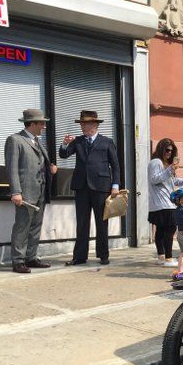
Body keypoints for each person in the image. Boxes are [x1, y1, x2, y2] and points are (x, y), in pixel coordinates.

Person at [59, 110, 120, 266]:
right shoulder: (78, 141)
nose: (82, 126)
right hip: (81, 187)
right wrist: (65, 143)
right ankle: (79, 256)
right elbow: (64, 155)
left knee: (102, 222)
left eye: (85, 124)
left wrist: (115, 185)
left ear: (94, 124)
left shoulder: (106, 142)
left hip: (101, 187)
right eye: (81, 124)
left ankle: (103, 254)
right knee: (82, 222)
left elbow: (115, 165)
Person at [4, 109, 58, 273]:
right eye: (41, 123)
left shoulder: (38, 142)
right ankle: (18, 261)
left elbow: (37, 164)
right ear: (32, 123)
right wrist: (15, 191)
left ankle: (31, 257)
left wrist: (50, 169)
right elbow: (11, 168)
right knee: (22, 226)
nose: (44, 127)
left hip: (40, 191)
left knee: (36, 225)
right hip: (25, 192)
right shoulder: (15, 140)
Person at [148, 138, 183, 266]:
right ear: (161, 149)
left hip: (165, 202)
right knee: (170, 229)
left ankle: (162, 257)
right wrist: (170, 170)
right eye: (167, 150)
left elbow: (172, 182)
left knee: (162, 230)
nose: (169, 153)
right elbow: (154, 179)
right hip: (162, 202)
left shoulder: (166, 165)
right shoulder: (156, 162)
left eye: (171, 151)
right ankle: (168, 258)